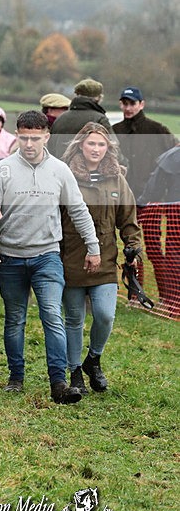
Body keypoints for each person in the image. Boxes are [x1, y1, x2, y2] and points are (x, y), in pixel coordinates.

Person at [0, 110, 101, 405]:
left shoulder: (60, 171)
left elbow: (79, 210)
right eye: (24, 137)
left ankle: (58, 383)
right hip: (10, 258)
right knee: (15, 318)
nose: (29, 144)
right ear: (17, 135)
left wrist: (93, 247)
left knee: (52, 316)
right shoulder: (3, 170)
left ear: (47, 136)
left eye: (35, 138)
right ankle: (15, 377)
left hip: (47, 256)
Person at [60, 123, 141, 394]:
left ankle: (93, 359)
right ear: (81, 144)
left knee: (105, 315)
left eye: (101, 144)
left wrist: (133, 246)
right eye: (91, 143)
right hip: (72, 258)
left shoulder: (117, 179)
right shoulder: (64, 175)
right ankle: (74, 373)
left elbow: (127, 218)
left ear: (108, 149)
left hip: (106, 259)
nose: (96, 149)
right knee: (74, 319)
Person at [137, 143, 180, 315]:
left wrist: (140, 205)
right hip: (175, 217)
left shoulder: (173, 156)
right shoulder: (173, 156)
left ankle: (173, 301)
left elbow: (153, 189)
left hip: (175, 216)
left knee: (174, 257)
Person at [112, 86, 176, 200]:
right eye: (124, 103)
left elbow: (175, 153)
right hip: (121, 193)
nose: (128, 108)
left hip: (151, 195)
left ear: (141, 104)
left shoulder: (157, 129)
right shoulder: (114, 130)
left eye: (132, 103)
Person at [48, 78, 112, 159]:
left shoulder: (60, 119)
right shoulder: (99, 119)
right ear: (98, 98)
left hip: (60, 169)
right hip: (87, 169)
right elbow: (113, 148)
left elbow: (50, 149)